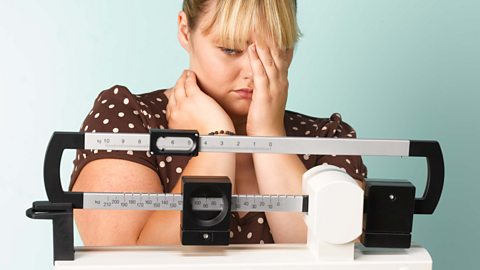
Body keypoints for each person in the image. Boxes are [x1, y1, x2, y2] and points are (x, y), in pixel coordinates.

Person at [70, 0, 367, 246]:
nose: (253, 70)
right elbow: (124, 258)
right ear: (186, 31)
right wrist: (216, 142)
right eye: (230, 50)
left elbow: (333, 253)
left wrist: (269, 136)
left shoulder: (326, 137)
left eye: (276, 49)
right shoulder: (128, 119)